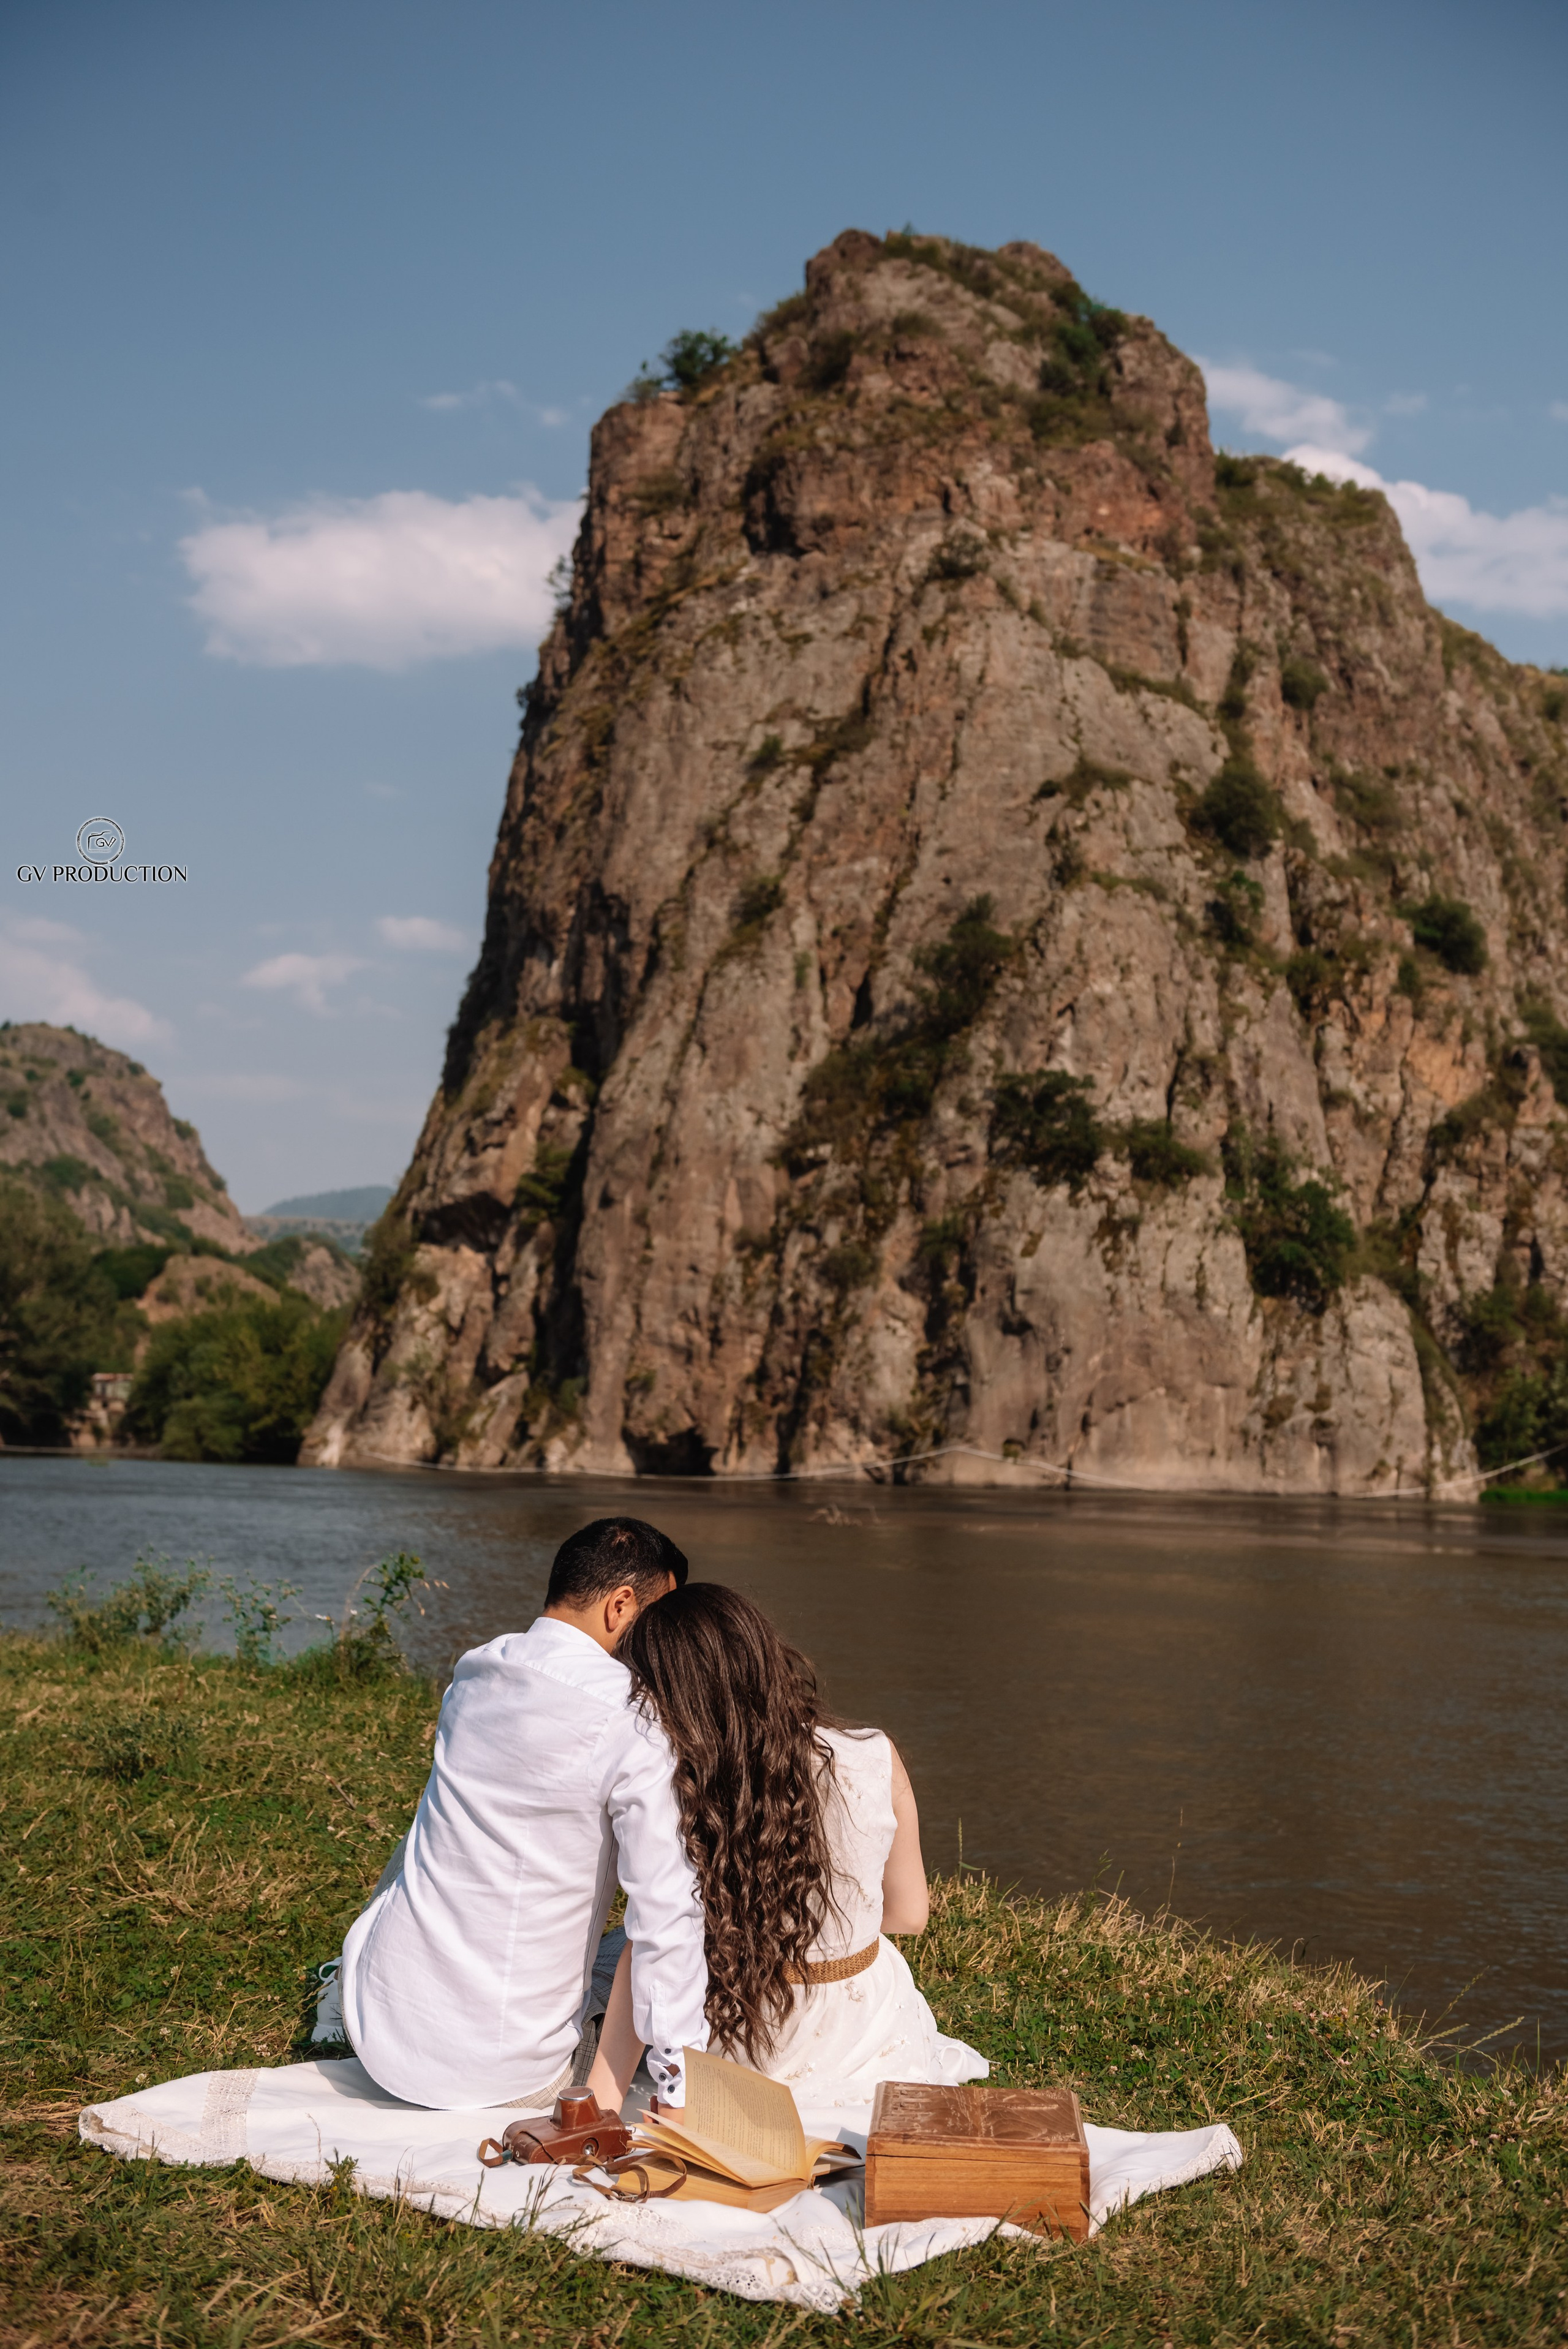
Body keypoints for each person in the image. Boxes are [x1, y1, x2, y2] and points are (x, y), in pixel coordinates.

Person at [337, 1517, 708, 2111]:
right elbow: (666, 1918)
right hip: (503, 2074)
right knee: (692, 1929)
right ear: (620, 1606)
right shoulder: (634, 1720)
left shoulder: (477, 1669)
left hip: (379, 2027)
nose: (665, 1641)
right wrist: (683, 2087)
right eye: (660, 1618)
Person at [584, 1583, 984, 2110]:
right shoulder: (875, 1754)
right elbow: (909, 1914)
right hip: (867, 2030)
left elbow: (653, 1948)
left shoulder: (677, 1784)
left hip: (742, 2028)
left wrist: (597, 2103)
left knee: (612, 1956)